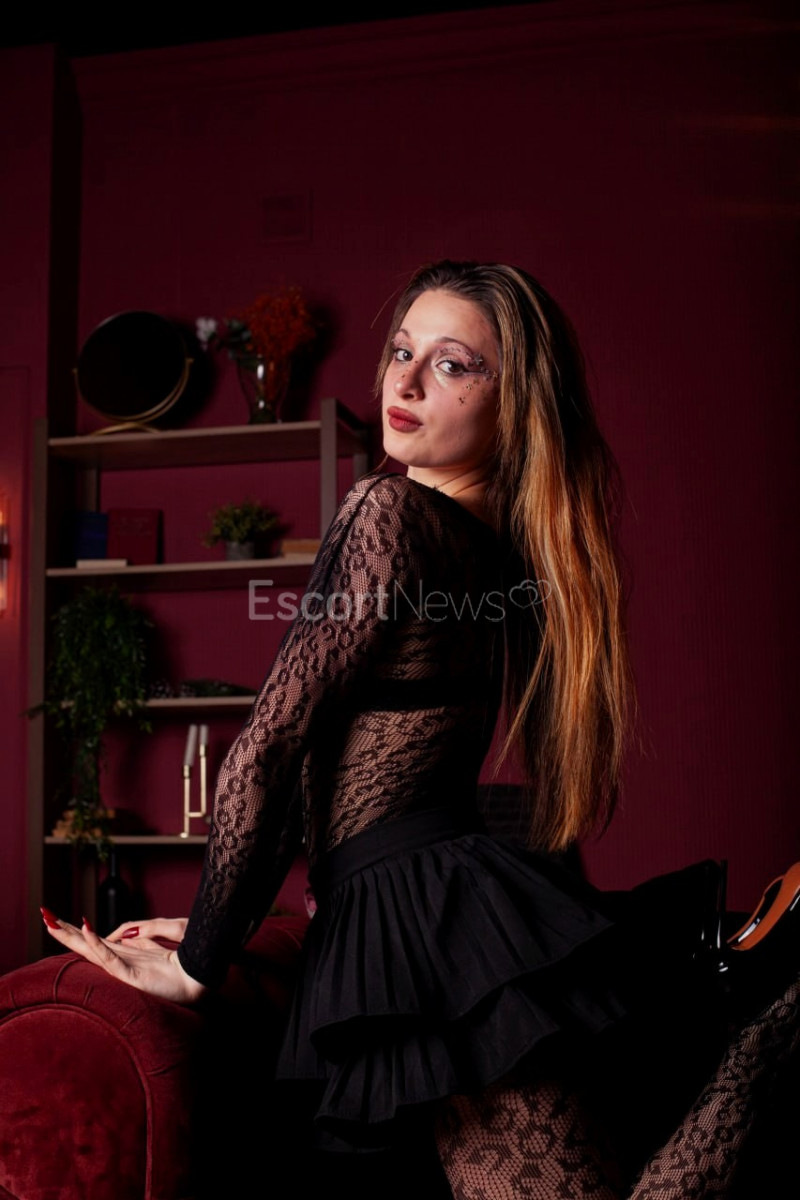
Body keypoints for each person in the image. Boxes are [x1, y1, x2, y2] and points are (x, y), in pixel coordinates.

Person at [42, 260, 800, 1198]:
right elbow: (334, 772)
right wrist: (215, 928)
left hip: (424, 926)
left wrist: (199, 965)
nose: (403, 382)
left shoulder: (388, 512)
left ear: (515, 404)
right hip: (427, 915)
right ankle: (775, 1009)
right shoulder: (497, 555)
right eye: (402, 351)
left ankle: (777, 1014)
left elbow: (271, 748)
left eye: (451, 364)